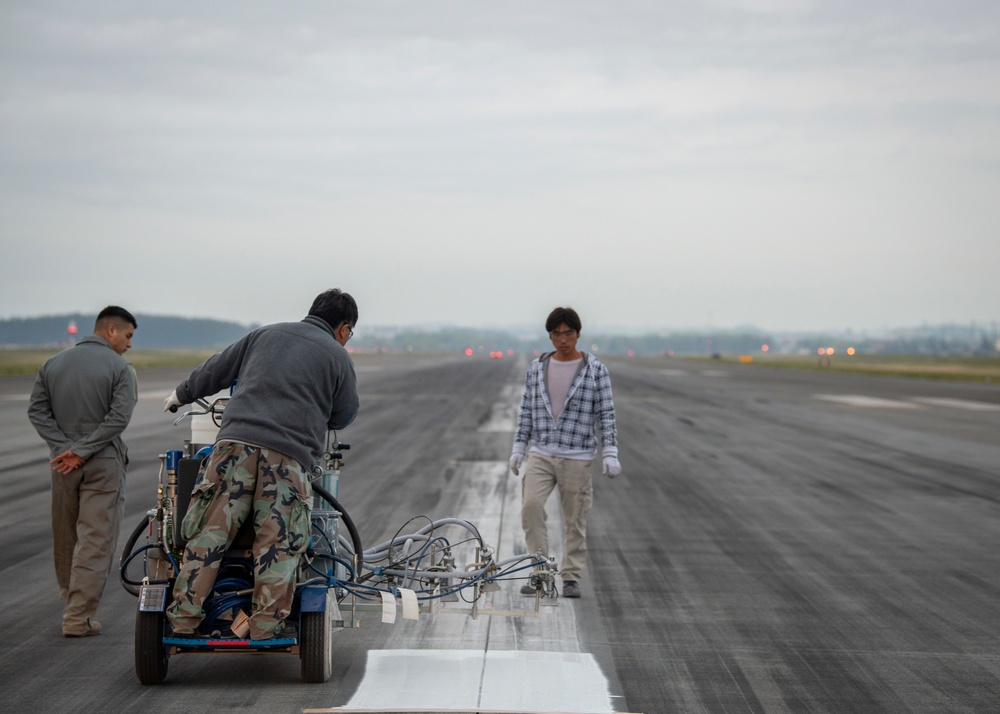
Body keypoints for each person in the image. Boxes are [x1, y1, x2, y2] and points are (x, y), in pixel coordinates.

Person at [163, 288, 360, 640]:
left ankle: (183, 622)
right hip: (287, 457)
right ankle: (265, 629)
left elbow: (215, 370)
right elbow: (344, 414)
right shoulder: (337, 356)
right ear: (344, 329)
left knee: (208, 537)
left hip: (233, 447)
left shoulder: (264, 334)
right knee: (278, 543)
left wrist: (181, 394)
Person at [28, 306, 139, 637]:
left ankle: (71, 604)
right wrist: (82, 450)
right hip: (102, 464)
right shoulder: (121, 368)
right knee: (96, 540)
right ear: (111, 331)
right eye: (129, 336)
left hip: (62, 464)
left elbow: (37, 410)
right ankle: (77, 617)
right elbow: (118, 419)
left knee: (66, 537)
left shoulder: (52, 364)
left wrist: (66, 448)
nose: (130, 344)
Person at [509, 306, 620, 599]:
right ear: (550, 336)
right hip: (542, 452)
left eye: (568, 333)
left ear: (578, 334)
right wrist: (519, 447)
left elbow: (606, 412)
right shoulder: (537, 368)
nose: (562, 339)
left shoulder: (595, 370)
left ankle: (570, 576)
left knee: (575, 519)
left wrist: (610, 451)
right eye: (556, 334)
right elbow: (527, 411)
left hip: (577, 455)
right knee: (530, 506)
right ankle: (540, 571)